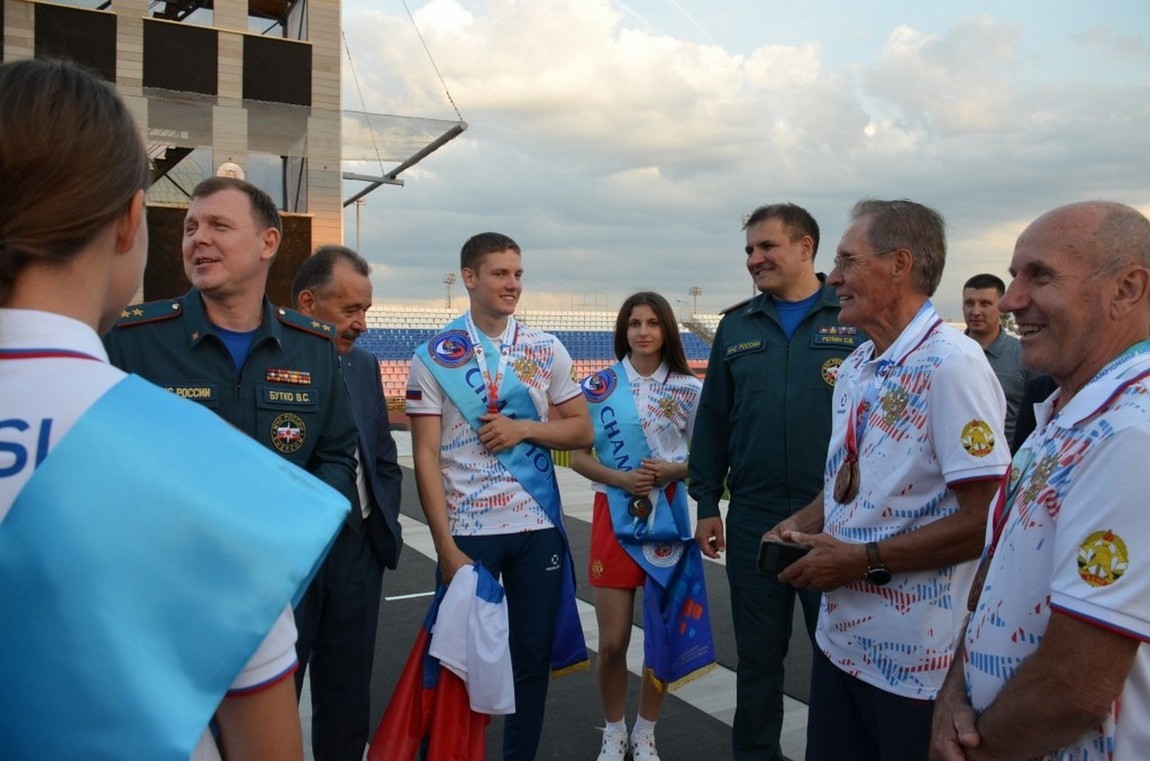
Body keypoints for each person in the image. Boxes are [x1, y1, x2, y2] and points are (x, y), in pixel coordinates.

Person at [0, 58, 348, 760]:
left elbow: (338, 452)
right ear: (131, 220)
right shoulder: (195, 465)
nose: (198, 239)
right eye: (189, 225)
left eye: (219, 224)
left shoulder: (311, 348)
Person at [771, 199, 1011, 760]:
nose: (833, 277)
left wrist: (861, 560)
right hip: (839, 644)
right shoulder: (857, 366)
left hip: (915, 666)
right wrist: (801, 523)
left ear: (899, 264)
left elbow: (986, 519)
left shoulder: (953, 364)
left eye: (847, 261)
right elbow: (850, 480)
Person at [931, 202, 1150, 761]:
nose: (1010, 301)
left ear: (1127, 289)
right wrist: (953, 695)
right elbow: (993, 584)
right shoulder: (1071, 408)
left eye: (1041, 275)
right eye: (1014, 276)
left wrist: (974, 751)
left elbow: (1077, 686)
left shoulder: (1133, 432)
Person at [404, 231, 593, 761]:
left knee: (530, 657)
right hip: (469, 531)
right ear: (469, 278)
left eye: (518, 274)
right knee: (456, 660)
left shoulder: (544, 348)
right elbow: (425, 457)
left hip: (536, 527)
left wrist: (524, 429)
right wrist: (444, 546)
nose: (512, 284)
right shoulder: (434, 356)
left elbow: (582, 430)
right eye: (500, 273)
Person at [689, 202, 863, 761]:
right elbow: (714, 420)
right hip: (754, 517)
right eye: (749, 250)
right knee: (758, 660)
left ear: (806, 247)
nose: (754, 259)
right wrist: (707, 503)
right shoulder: (737, 325)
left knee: (842, 657)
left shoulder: (853, 316)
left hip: (835, 516)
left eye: (767, 247)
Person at [571, 291, 714, 761]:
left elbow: (707, 458)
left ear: (666, 329)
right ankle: (614, 730)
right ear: (624, 330)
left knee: (661, 636)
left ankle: (646, 731)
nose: (643, 331)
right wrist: (620, 479)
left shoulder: (689, 389)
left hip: (667, 517)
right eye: (635, 323)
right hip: (612, 515)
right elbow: (578, 456)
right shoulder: (599, 387)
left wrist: (674, 470)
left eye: (652, 323)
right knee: (612, 643)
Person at [291, 245, 404, 761]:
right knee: (274, 692)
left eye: (366, 310)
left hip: (358, 550)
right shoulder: (272, 360)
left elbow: (382, 456)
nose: (361, 323)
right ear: (308, 303)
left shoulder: (364, 364)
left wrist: (380, 523)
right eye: (350, 309)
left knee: (348, 696)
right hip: (295, 556)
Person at [961, 273, 1028, 447]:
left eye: (985, 304)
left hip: (1007, 459)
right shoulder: (947, 354)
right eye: (969, 303)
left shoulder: (1025, 356)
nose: (975, 312)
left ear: (1002, 307)